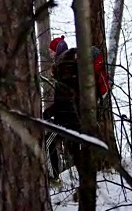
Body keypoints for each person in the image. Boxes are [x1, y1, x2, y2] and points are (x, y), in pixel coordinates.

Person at [43, 35, 110, 179]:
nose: (50, 55)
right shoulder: (73, 65)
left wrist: (50, 113)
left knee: (48, 143)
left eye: (51, 52)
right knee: (76, 151)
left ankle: (54, 179)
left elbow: (64, 98)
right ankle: (86, 183)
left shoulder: (64, 67)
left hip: (68, 118)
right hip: (79, 115)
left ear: (57, 51)